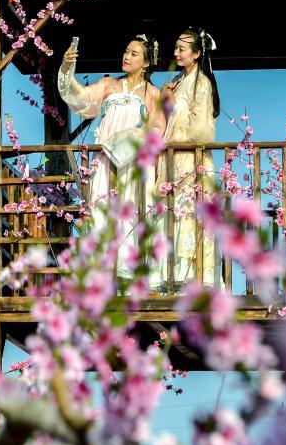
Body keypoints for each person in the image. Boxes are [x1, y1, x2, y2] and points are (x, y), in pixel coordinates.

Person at [57, 35, 165, 280]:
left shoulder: (153, 94)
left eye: (134, 53)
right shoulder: (108, 85)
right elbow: (80, 99)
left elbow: (158, 128)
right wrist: (66, 68)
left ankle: (129, 272)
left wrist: (136, 137)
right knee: (101, 207)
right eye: (126, 51)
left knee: (132, 208)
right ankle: (101, 272)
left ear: (147, 62)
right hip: (106, 158)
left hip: (135, 160)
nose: (126, 57)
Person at [157, 27, 221, 288]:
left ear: (196, 53)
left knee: (190, 216)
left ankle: (192, 280)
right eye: (176, 48)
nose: (176, 53)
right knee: (175, 215)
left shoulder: (201, 84)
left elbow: (201, 131)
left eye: (181, 49)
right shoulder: (179, 82)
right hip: (174, 159)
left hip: (191, 160)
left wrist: (170, 142)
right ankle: (174, 277)